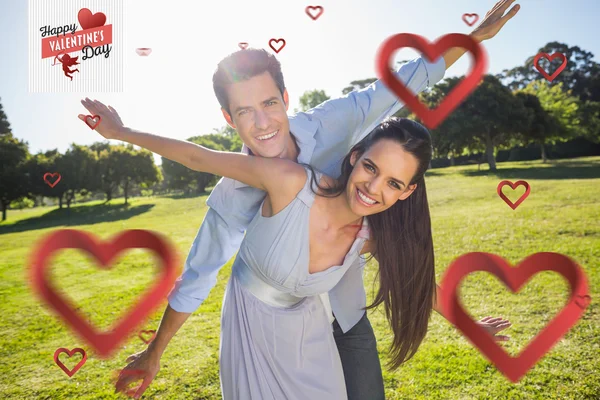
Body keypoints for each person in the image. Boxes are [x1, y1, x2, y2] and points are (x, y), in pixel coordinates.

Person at [80, 1, 519, 397]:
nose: (263, 122)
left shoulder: (333, 124)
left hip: (342, 312)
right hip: (264, 324)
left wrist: (470, 38)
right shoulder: (236, 193)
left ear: (286, 99)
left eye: (270, 103)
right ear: (227, 118)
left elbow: (401, 85)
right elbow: (197, 269)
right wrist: (155, 353)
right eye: (244, 111)